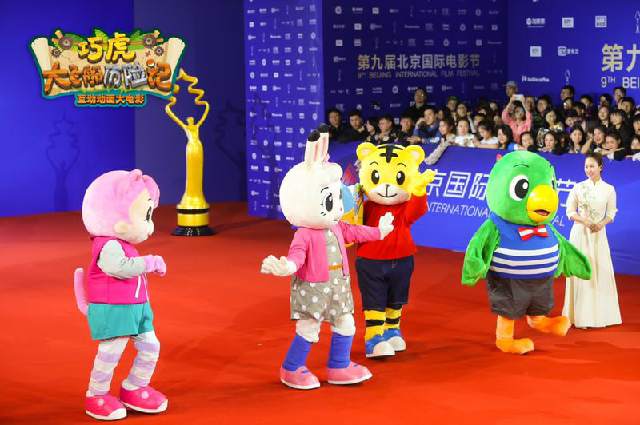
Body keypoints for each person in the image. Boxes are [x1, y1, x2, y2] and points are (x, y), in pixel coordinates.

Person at [562, 153, 622, 329]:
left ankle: (601, 316)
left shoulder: (609, 189)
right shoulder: (578, 187)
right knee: (581, 271)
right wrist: (585, 221)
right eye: (586, 166)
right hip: (580, 234)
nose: (588, 170)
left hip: (598, 235)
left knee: (600, 272)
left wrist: (601, 224)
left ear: (600, 167)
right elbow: (570, 211)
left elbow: (611, 213)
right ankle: (580, 316)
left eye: (592, 166)